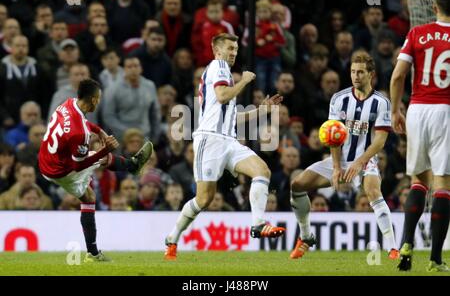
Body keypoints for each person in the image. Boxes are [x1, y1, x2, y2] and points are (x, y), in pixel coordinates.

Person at [164, 33, 285, 260]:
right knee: (203, 199)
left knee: (262, 171)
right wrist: (245, 80)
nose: (233, 53)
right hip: (209, 140)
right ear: (216, 50)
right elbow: (222, 96)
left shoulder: (225, 74)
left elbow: (231, 118)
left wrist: (263, 109)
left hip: (228, 140)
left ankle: (258, 224)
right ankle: (172, 238)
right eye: (230, 49)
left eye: (235, 50)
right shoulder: (218, 66)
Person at [290, 52, 399, 260]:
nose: (355, 76)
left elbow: (380, 140)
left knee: (373, 191)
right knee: (297, 185)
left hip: (365, 160)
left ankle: (392, 247)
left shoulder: (381, 102)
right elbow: (333, 136)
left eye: (360, 72)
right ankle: (305, 237)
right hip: (338, 159)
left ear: (371, 75)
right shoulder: (339, 99)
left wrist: (360, 162)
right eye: (352, 72)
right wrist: (338, 166)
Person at [38, 78, 153, 262]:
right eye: (98, 99)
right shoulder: (79, 134)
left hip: (45, 160)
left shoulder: (67, 104)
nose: (98, 102)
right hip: (60, 170)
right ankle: (132, 166)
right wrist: (105, 150)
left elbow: (83, 123)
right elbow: (78, 166)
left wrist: (99, 131)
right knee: (101, 160)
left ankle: (92, 253)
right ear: (93, 99)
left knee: (89, 196)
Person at [390, 0, 450, 272]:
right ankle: (436, 258)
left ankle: (406, 242)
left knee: (418, 180)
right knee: (443, 185)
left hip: (416, 109)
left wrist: (394, 109)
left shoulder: (417, 33)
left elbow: (399, 74)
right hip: (445, 110)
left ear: (434, 6)